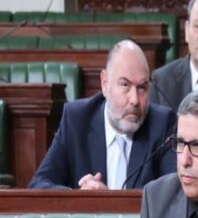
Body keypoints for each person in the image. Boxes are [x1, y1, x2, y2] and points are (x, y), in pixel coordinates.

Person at [29, 40, 176, 190]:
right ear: (105, 84)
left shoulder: (162, 125)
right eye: (125, 85)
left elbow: (174, 194)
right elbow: (38, 185)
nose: (135, 100)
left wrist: (107, 200)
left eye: (142, 88)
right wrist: (80, 196)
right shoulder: (77, 120)